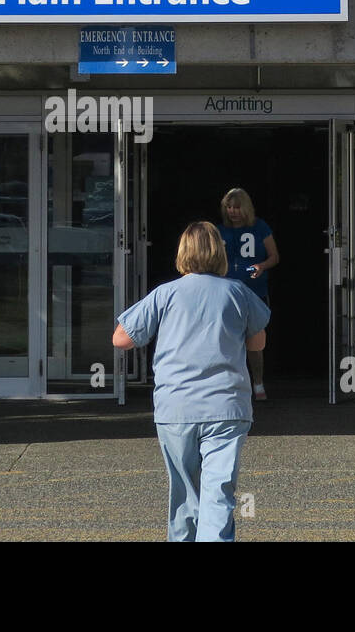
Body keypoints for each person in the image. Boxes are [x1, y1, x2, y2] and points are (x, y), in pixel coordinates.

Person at [113, 221, 269, 542]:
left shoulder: (165, 294)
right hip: (226, 407)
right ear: (220, 253)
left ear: (183, 253)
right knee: (219, 490)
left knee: (184, 492)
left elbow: (121, 339)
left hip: (177, 407)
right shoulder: (239, 293)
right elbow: (258, 344)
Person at [218, 188, 279, 400]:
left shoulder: (259, 227)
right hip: (226, 294)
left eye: (237, 207)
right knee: (227, 341)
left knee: (255, 341)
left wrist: (261, 266)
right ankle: (231, 385)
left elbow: (274, 256)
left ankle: (258, 382)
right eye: (229, 207)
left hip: (255, 292)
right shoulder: (219, 231)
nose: (233, 211)